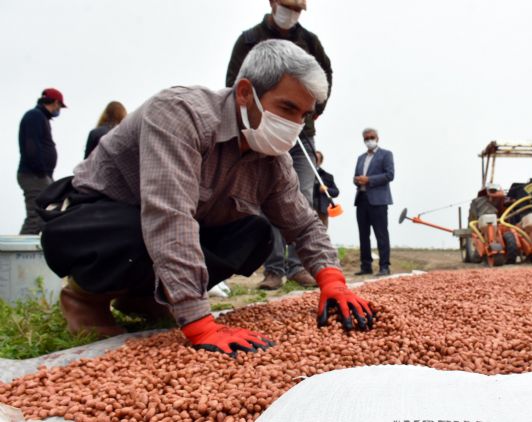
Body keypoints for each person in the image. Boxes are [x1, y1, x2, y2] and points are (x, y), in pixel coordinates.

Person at [37, 40, 374, 357]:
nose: (294, 125)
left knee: (253, 233)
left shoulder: (272, 160)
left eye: (304, 115)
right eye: (286, 107)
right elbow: (168, 215)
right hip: (96, 223)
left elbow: (302, 225)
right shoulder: (181, 114)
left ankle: (144, 298)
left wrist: (333, 281)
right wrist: (200, 325)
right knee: (140, 227)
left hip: (162, 230)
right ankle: (85, 298)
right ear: (245, 93)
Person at [225, 0, 333, 291]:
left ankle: (301, 265)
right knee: (267, 200)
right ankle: (274, 269)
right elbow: (233, 84)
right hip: (259, 127)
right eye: (287, 6)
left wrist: (308, 113)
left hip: (301, 137)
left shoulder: (310, 41)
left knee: (302, 199)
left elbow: (326, 77)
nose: (292, 14)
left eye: (298, 10)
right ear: (273, 3)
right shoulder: (249, 40)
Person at [17, 88, 65, 235]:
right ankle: (19, 255)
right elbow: (31, 146)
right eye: (60, 106)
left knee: (50, 212)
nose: (60, 110)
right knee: (36, 217)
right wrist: (41, 171)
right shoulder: (35, 116)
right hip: (34, 175)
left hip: (40, 175)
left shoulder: (40, 117)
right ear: (55, 102)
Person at [353, 128, 394, 276]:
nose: (369, 140)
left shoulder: (386, 155)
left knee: (381, 234)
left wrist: (369, 180)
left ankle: (384, 266)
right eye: (366, 138)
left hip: (378, 201)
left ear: (377, 138)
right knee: (363, 235)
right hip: (362, 199)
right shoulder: (361, 158)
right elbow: (355, 177)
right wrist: (357, 180)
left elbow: (390, 175)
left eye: (372, 137)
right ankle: (366, 266)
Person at [312, 150, 339, 227]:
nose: (315, 161)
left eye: (317, 159)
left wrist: (326, 189)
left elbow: (336, 192)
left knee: (322, 232)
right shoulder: (304, 174)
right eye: (313, 158)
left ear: (320, 161)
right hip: (308, 208)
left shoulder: (328, 176)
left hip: (322, 210)